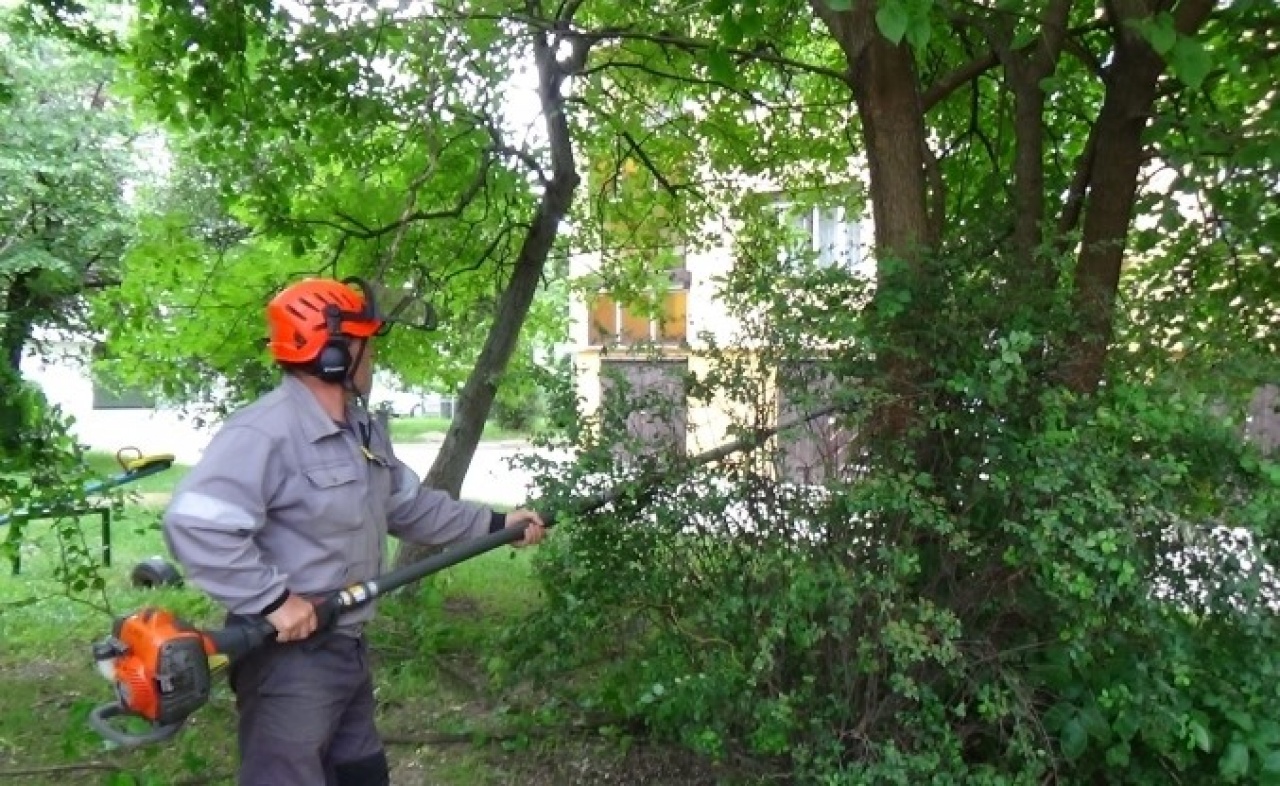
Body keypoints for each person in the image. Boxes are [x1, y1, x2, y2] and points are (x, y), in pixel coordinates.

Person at [162, 277, 546, 786]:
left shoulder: (359, 430)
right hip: (290, 664)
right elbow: (194, 522)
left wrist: (497, 524)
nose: (374, 359)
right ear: (334, 354)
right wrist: (274, 601)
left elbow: (408, 506)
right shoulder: (266, 431)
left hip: (346, 646)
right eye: (366, 344)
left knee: (360, 773)